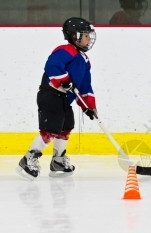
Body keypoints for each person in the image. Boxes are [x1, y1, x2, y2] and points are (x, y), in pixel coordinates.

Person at [16, 17, 97, 181]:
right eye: (86, 35)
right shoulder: (65, 50)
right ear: (75, 36)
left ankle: (58, 161)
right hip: (50, 95)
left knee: (66, 127)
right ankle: (28, 160)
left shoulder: (84, 61)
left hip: (64, 98)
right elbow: (52, 66)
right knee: (50, 130)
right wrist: (64, 80)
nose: (89, 39)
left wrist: (89, 106)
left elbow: (85, 87)